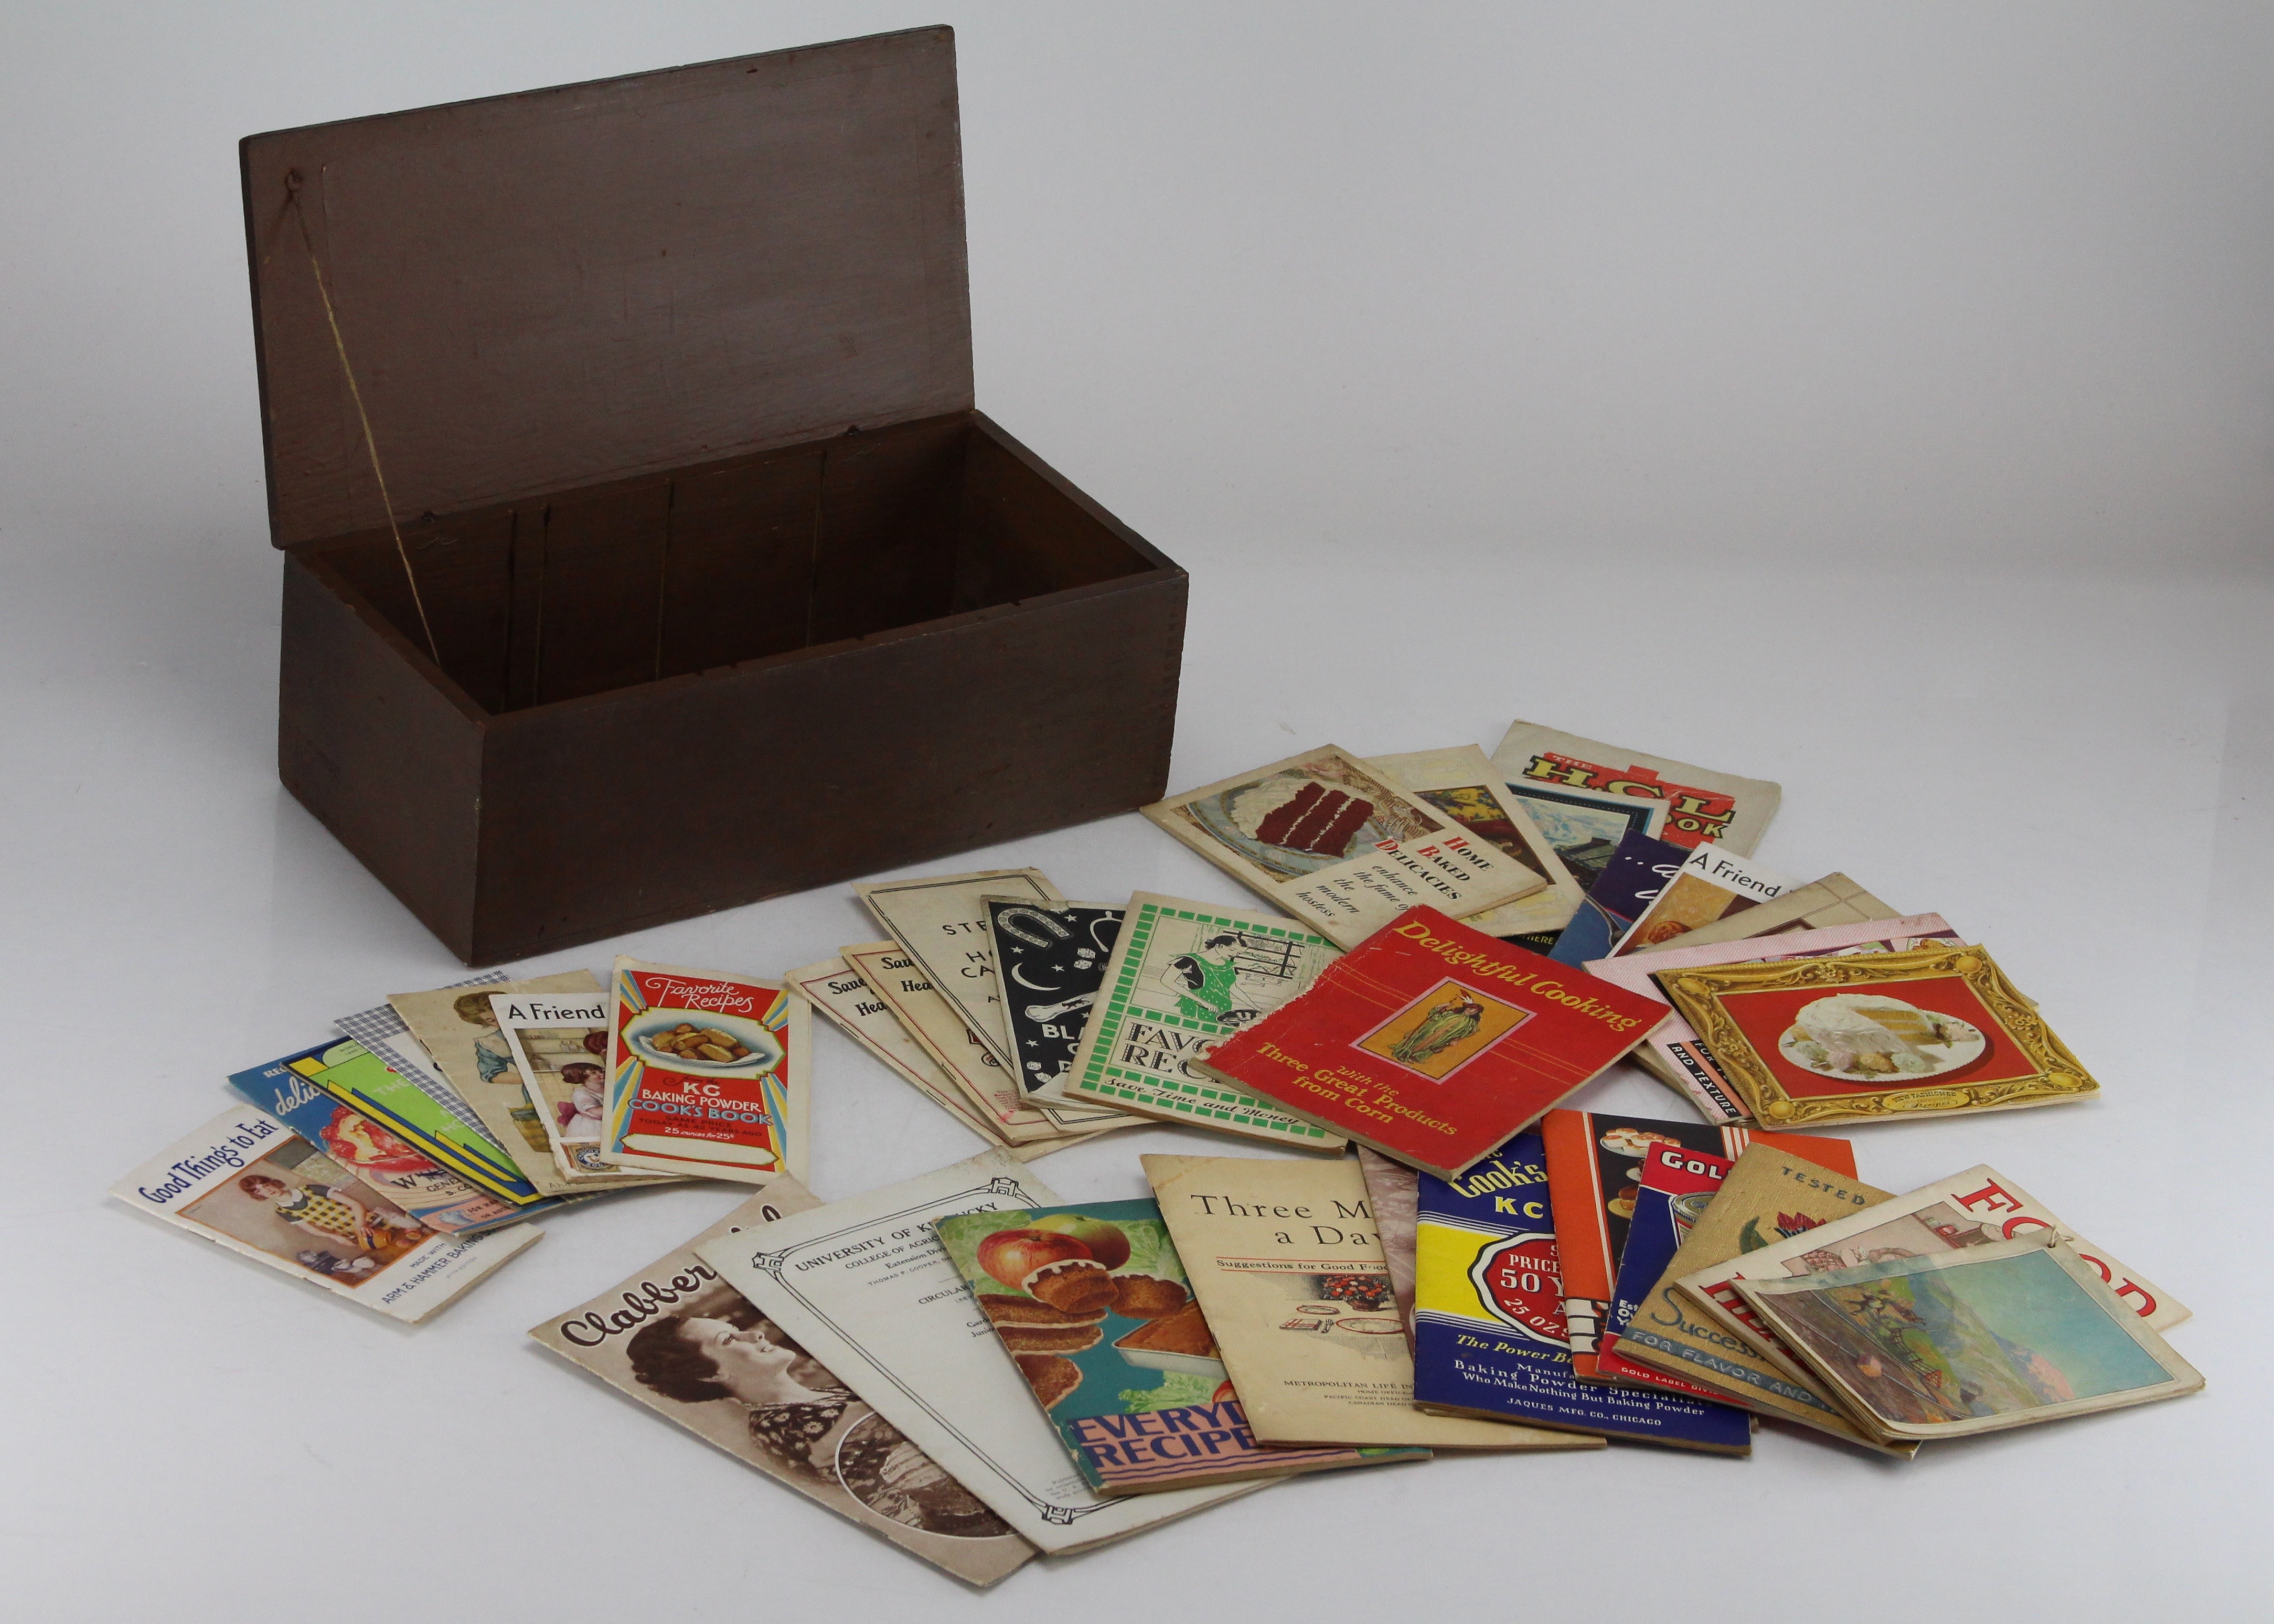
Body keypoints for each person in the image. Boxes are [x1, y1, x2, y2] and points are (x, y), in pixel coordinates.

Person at [626, 1308, 1007, 1537]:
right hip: (980, 1522)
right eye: (729, 1338)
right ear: (712, 1375)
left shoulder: (820, 1399)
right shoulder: (786, 1430)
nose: (754, 1332)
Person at [238, 1172, 430, 1267]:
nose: (267, 1189)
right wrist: (336, 1238)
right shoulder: (283, 1211)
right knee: (398, 1255)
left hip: (377, 1221)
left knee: (418, 1234)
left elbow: (355, 1204)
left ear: (272, 1182)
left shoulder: (311, 1189)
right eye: (259, 1190)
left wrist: (360, 1224)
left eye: (265, 1184)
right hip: (359, 1235)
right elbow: (312, 1229)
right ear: (259, 1195)